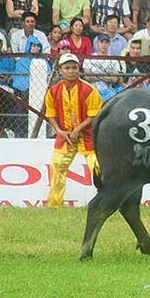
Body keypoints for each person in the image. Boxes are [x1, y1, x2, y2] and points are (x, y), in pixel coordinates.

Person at [44, 52, 103, 207]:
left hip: (88, 136)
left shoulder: (89, 90)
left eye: (74, 67)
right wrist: (59, 131)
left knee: (97, 168)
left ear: (78, 69)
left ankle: (105, 202)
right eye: (67, 68)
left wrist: (78, 129)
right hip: (64, 136)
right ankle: (55, 205)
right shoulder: (53, 91)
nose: (71, 71)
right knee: (57, 165)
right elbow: (50, 114)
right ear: (60, 70)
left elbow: (94, 115)